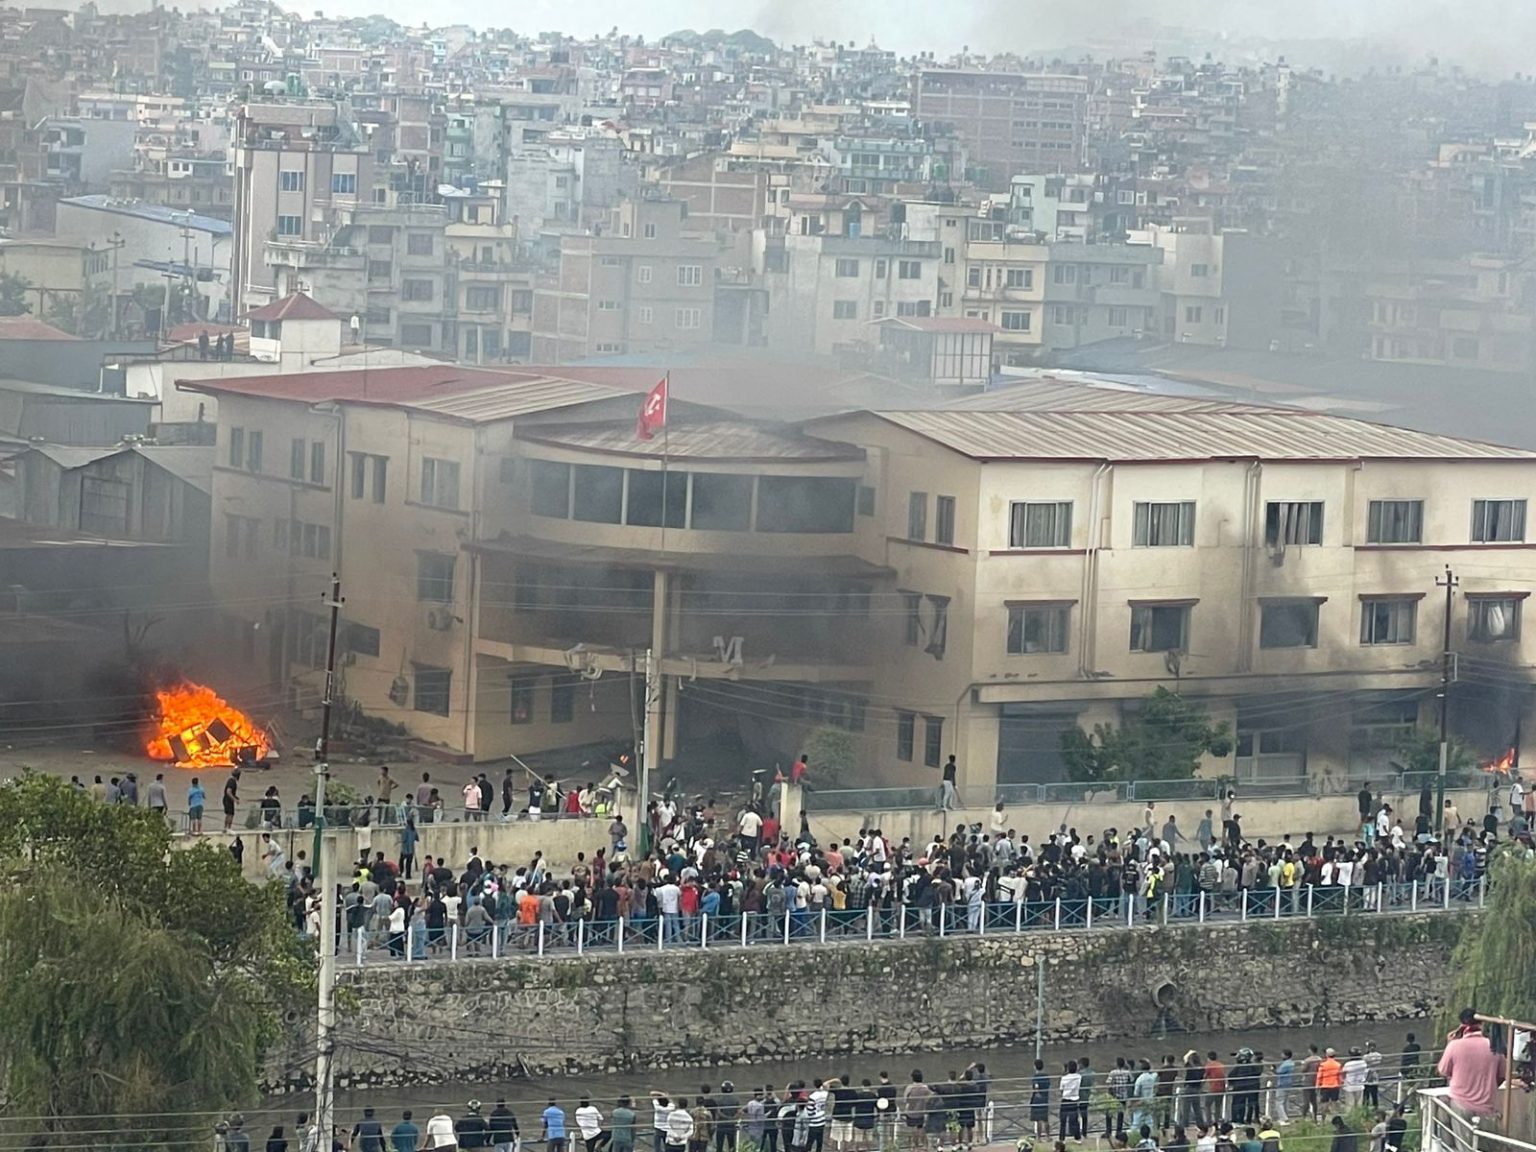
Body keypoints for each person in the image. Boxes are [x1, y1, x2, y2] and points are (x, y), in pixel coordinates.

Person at [1438, 1008, 1505, 1120]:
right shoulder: (1493, 1047)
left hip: (1460, 1103)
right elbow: (1502, 1075)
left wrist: (1449, 1044)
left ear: (1462, 1026)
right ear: (1481, 1024)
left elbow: (1443, 1071)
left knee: (1443, 1107)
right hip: (1487, 1106)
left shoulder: (1454, 1046)